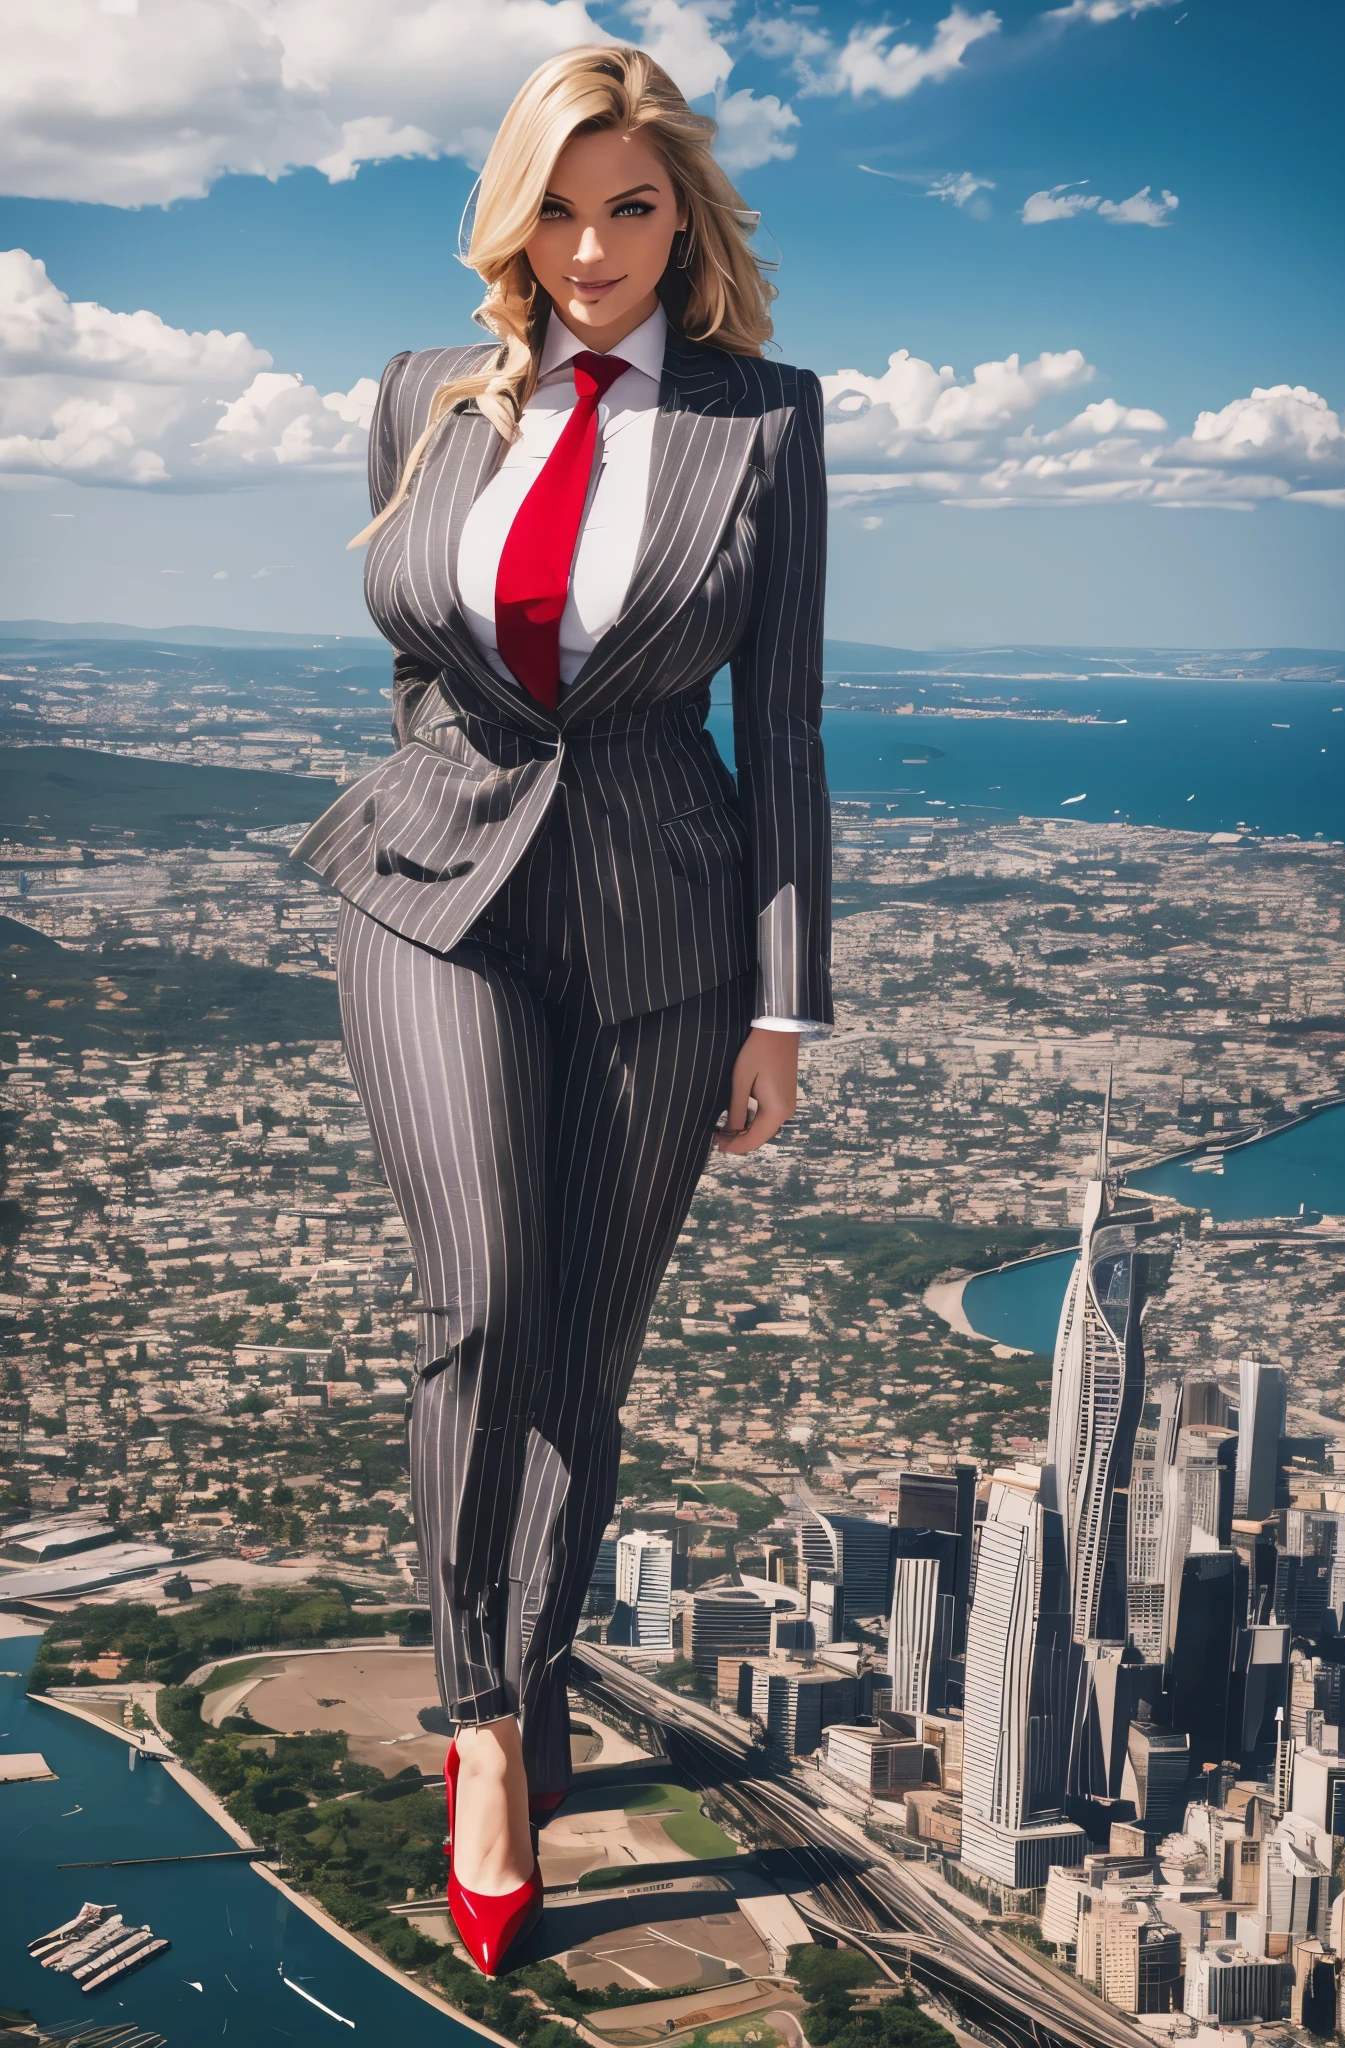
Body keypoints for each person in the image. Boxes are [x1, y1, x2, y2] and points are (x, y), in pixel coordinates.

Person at [292, 42, 831, 1975]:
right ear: (511, 215)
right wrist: (444, 829)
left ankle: (525, 1652)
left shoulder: (765, 419)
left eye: (634, 206)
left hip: (664, 924)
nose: (593, 248)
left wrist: (784, 1010)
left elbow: (781, 724)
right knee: (490, 1303)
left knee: (583, 1346)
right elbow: (418, 676)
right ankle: (489, 1728)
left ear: (684, 219)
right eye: (561, 205)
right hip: (433, 896)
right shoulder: (416, 402)